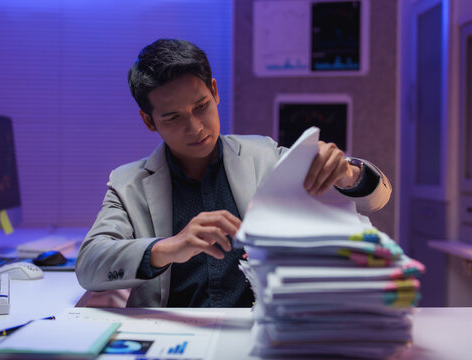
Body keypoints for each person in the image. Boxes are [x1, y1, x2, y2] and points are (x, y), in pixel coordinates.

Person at [75, 39, 392, 307]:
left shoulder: (264, 155)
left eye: (201, 106)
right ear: (149, 121)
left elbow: (375, 201)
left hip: (260, 328)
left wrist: (349, 175)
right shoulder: (128, 184)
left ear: (214, 91)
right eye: (173, 118)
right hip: (174, 334)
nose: (196, 128)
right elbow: (89, 264)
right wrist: (169, 247)